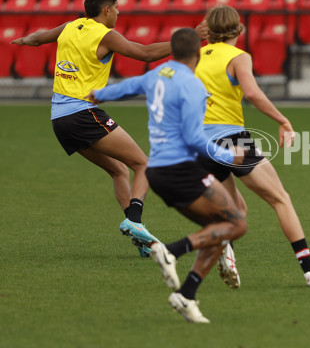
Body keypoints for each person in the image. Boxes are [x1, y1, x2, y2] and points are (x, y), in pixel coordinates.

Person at [87, 28, 247, 324]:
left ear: (173, 52)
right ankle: (170, 251)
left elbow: (131, 85)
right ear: (197, 54)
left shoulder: (159, 74)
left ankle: (185, 296)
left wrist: (100, 94)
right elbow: (194, 139)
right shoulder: (193, 86)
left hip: (157, 171)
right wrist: (229, 156)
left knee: (218, 229)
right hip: (180, 170)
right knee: (236, 223)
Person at [11, 0, 171, 257]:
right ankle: (134, 220)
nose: (119, 12)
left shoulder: (70, 27)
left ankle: (139, 237)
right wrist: (186, 43)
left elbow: (40, 38)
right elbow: (146, 54)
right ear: (106, 9)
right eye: (117, 7)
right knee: (143, 164)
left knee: (119, 170)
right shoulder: (106, 35)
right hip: (83, 114)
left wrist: (25, 40)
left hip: (59, 120)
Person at [194, 4, 310, 288]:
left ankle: (227, 252)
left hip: (199, 141)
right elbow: (252, 93)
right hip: (231, 138)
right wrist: (283, 120)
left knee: (236, 209)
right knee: (280, 198)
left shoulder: (194, 57)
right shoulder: (238, 57)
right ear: (239, 29)